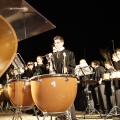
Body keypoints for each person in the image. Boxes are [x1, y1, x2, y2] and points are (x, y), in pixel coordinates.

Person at [48, 35, 76, 120]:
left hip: (67, 79)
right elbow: (52, 67)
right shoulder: (53, 55)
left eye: (58, 42)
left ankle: (71, 117)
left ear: (62, 42)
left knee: (68, 98)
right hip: (57, 79)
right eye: (55, 43)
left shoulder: (69, 53)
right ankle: (60, 116)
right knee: (58, 97)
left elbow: (73, 66)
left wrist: (67, 69)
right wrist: (52, 71)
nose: (56, 44)